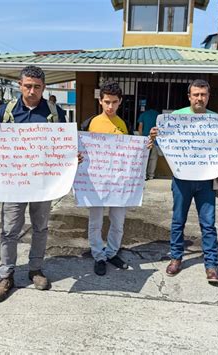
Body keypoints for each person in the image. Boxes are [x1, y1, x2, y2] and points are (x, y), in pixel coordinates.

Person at [0, 66, 66, 303]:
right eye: (28, 86)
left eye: (37, 87)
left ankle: (35, 270)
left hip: (43, 182)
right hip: (14, 182)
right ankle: (6, 275)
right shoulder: (6, 112)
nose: (32, 91)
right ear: (20, 85)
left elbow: (64, 143)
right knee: (10, 230)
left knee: (40, 228)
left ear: (44, 87)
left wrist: (72, 156)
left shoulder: (54, 112)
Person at [150, 79, 218, 284]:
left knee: (208, 223)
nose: (199, 98)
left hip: (207, 180)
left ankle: (211, 264)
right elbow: (163, 151)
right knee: (178, 221)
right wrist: (155, 137)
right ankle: (176, 258)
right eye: (196, 94)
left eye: (203, 94)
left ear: (208, 96)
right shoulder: (176, 118)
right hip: (181, 179)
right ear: (189, 96)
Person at [84, 81, 131, 276]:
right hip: (96, 183)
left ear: (120, 102)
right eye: (106, 101)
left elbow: (128, 153)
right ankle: (98, 256)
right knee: (95, 222)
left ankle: (112, 253)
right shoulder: (91, 123)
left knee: (118, 222)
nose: (110, 106)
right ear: (100, 101)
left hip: (118, 183)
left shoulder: (122, 124)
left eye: (114, 102)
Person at [137, 102, 159, 180]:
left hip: (145, 138)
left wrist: (141, 138)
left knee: (144, 157)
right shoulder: (158, 115)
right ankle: (151, 175)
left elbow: (140, 127)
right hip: (155, 138)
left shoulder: (143, 114)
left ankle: (143, 175)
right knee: (153, 157)